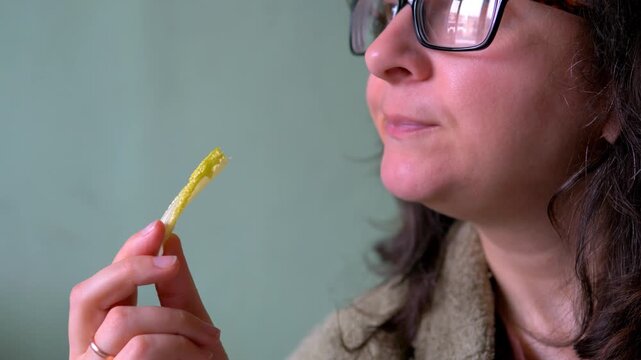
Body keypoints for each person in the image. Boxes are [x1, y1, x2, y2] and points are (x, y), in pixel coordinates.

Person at [68, 0, 641, 358]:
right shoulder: (349, 351)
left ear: (618, 70)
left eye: (463, 4)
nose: (382, 52)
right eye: (389, 4)